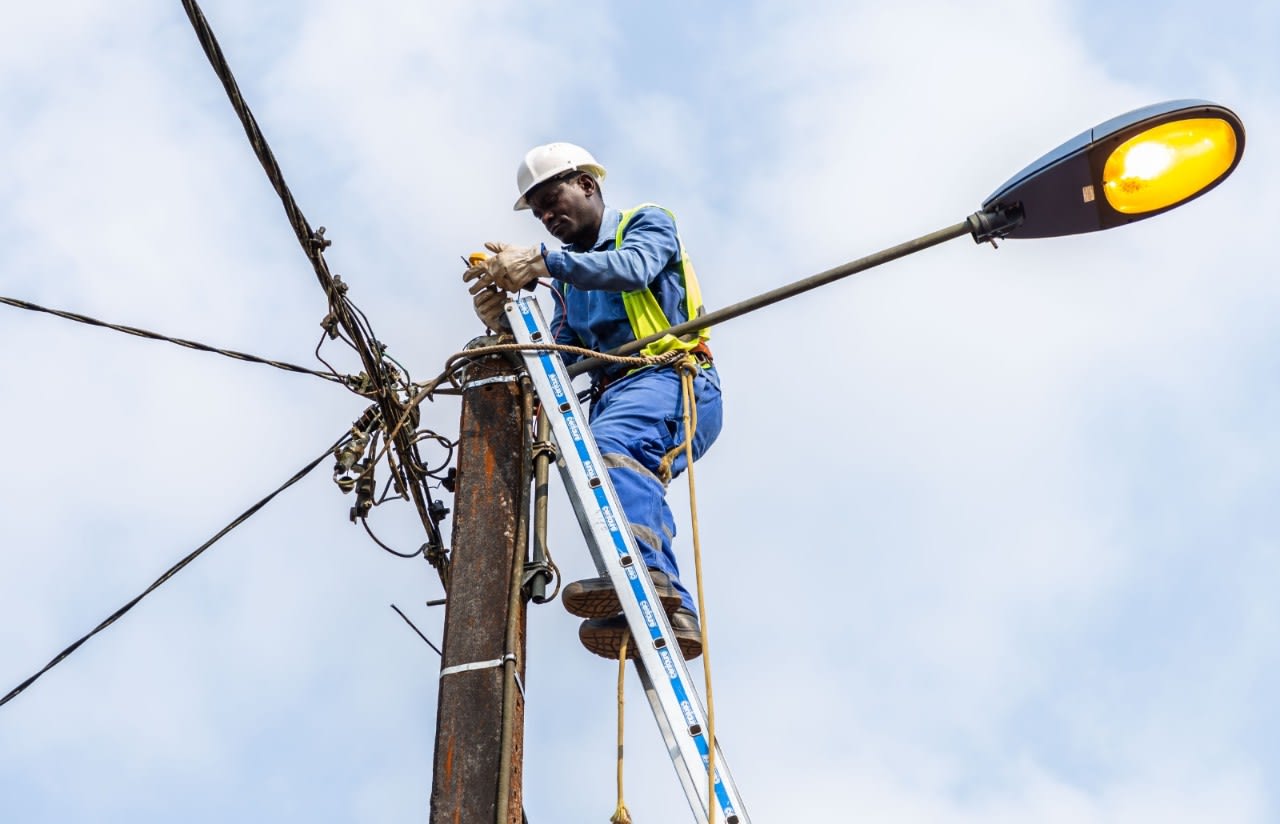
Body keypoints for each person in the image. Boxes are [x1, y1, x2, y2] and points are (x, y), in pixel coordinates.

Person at [463, 142, 722, 660]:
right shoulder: (567, 281)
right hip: (615, 395)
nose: (546, 215)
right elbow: (556, 355)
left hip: (672, 378)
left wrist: (540, 262)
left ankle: (648, 579)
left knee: (609, 449)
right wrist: (506, 320)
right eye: (536, 211)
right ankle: (662, 605)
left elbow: (632, 268)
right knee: (595, 471)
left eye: (550, 197)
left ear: (587, 184)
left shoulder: (646, 225)